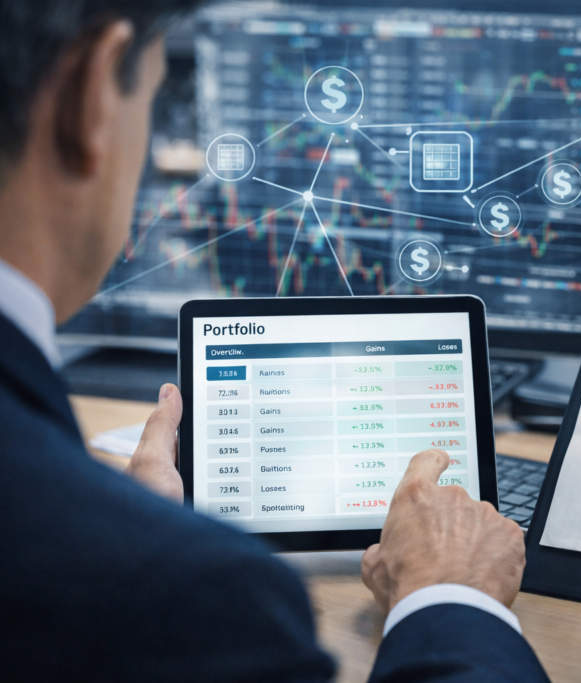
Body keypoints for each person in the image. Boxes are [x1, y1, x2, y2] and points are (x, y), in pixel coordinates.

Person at [0, 1, 550, 680]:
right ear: (93, 96)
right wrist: (450, 593)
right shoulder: (188, 597)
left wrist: (135, 522)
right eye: (150, 92)